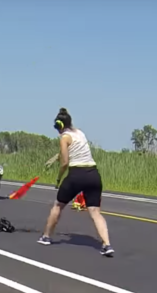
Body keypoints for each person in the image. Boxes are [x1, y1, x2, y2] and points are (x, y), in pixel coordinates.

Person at [37, 107, 114, 257]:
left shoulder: (64, 137)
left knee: (58, 205)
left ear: (59, 126)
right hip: (93, 174)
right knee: (95, 212)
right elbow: (71, 150)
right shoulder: (80, 133)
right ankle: (107, 244)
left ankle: (46, 236)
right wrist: (55, 158)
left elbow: (65, 162)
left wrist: (58, 179)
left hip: (76, 175)